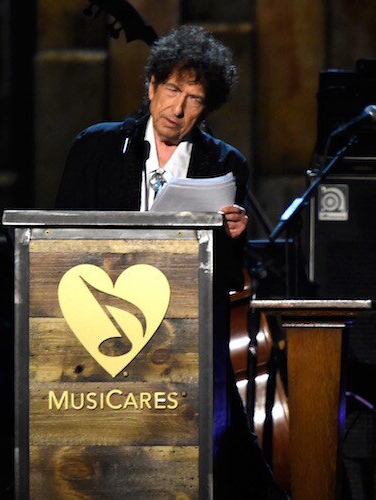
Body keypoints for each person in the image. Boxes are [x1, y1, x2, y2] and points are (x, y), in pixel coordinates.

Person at [56, 24, 288, 500]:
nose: (177, 108)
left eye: (194, 98)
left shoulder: (223, 163)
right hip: (99, 324)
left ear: (207, 108)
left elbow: (226, 278)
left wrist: (233, 236)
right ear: (151, 87)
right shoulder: (96, 148)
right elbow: (58, 246)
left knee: (203, 450)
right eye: (171, 90)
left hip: (184, 333)